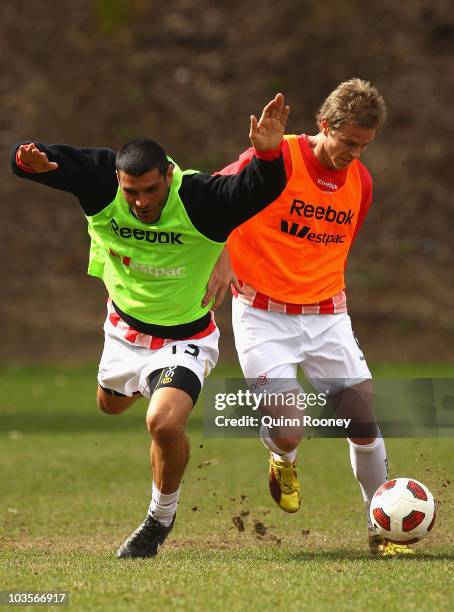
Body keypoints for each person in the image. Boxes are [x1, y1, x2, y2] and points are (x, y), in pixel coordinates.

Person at [10, 93, 290, 558]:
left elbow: (259, 188)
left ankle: (159, 519)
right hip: (123, 332)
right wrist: (29, 160)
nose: (140, 201)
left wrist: (267, 152)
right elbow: (45, 160)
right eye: (131, 191)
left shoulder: (201, 200)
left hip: (186, 339)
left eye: (151, 190)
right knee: (109, 406)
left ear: (169, 177)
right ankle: (140, 384)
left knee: (162, 422)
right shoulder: (103, 183)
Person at [217, 79, 413, 557]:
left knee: (363, 423)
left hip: (327, 316)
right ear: (325, 125)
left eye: (365, 146)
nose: (355, 154)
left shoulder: (361, 182)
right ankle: (282, 456)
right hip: (262, 316)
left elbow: (335, 244)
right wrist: (223, 257)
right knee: (289, 428)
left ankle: (381, 528)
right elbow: (211, 203)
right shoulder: (274, 157)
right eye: (349, 143)